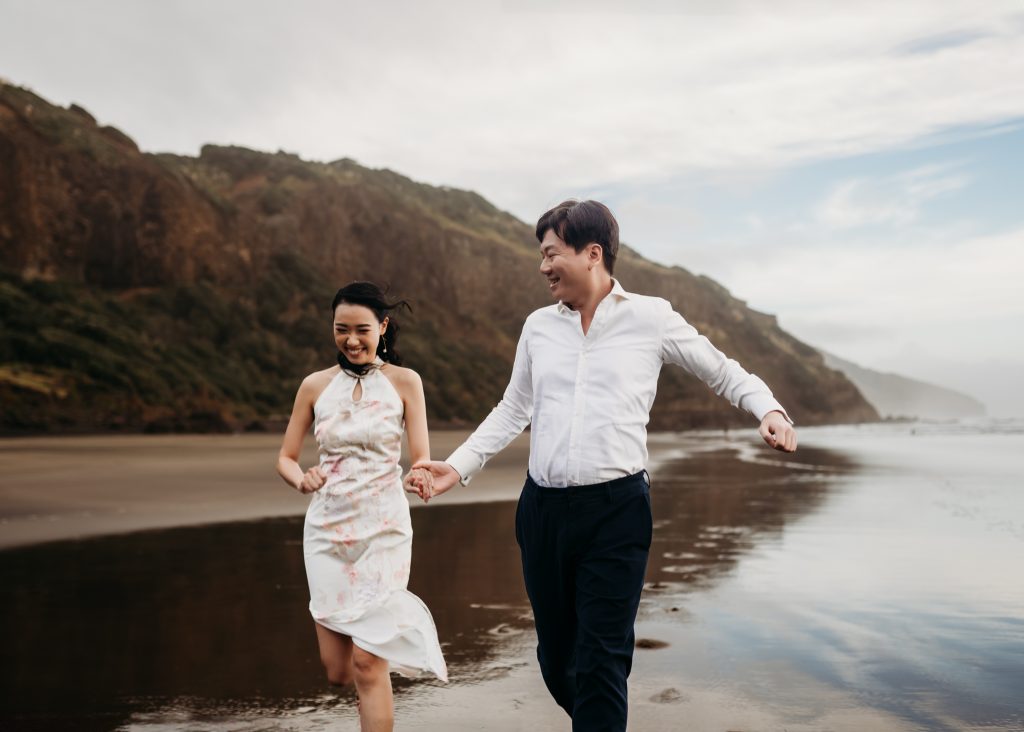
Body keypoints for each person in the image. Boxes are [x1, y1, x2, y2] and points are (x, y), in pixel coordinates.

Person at [409, 200, 796, 732]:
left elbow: (722, 371)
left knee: (602, 660)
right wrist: (457, 466)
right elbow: (513, 407)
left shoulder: (651, 317)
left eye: (551, 253)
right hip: (543, 512)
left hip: (617, 513)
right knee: (556, 660)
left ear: (592, 254)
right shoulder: (538, 327)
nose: (542, 266)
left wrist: (768, 409)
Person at [277, 281, 447, 732]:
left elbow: (420, 458)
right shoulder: (314, 386)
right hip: (328, 532)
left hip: (384, 529)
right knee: (339, 670)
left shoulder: (405, 382)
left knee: (369, 663)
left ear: (383, 327)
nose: (351, 339)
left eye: (362, 329)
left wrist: (421, 476)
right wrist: (302, 479)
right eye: (341, 329)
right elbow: (286, 458)